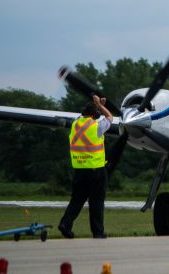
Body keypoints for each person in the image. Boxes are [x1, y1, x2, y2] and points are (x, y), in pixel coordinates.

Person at [58, 94, 113, 239]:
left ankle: (65, 224)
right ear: (95, 114)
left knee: (76, 200)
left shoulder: (75, 123)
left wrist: (95, 105)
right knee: (96, 202)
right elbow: (110, 117)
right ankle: (98, 232)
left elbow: (83, 116)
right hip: (96, 171)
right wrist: (101, 106)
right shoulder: (97, 127)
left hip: (79, 170)